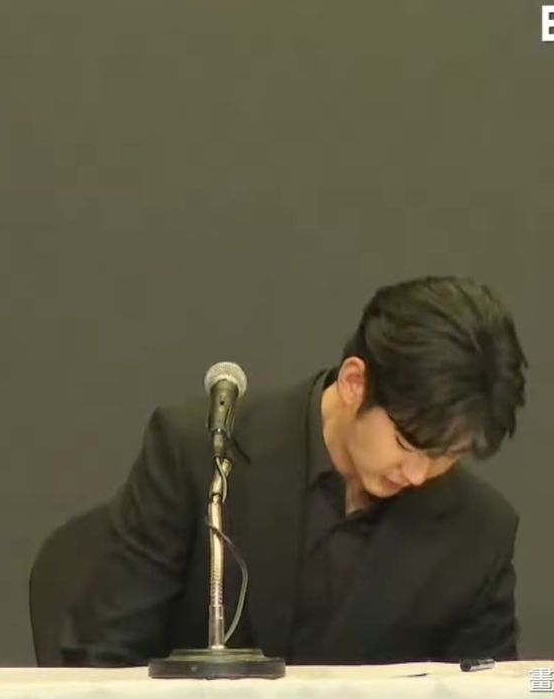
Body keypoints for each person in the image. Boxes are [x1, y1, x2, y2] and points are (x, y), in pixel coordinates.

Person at [61, 276, 528, 666]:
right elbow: (102, 658)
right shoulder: (198, 455)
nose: (418, 474)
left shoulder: (480, 534)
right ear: (355, 383)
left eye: (446, 455)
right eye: (408, 444)